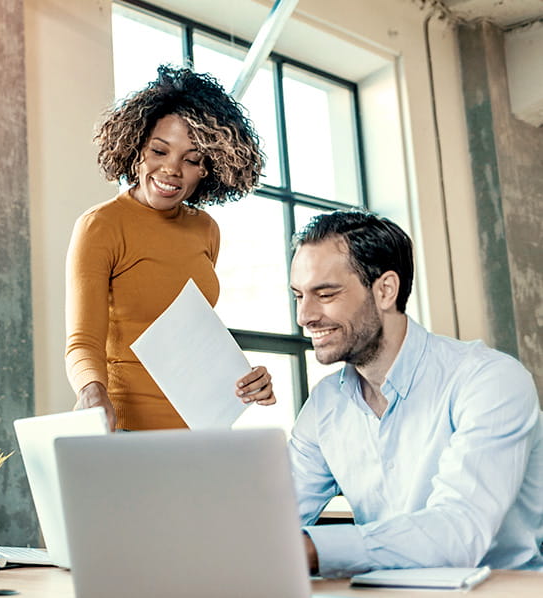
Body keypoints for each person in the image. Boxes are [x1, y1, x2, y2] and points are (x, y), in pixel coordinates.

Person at [267, 209, 542, 577]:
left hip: (498, 591)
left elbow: (459, 535)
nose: (305, 316)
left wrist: (309, 549)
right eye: (298, 296)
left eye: (325, 294)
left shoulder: (489, 380)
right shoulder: (325, 403)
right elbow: (275, 519)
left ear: (385, 290)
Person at [65, 65, 276, 431]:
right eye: (159, 151)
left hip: (201, 431)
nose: (171, 170)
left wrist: (247, 380)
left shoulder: (205, 230)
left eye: (191, 159)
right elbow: (83, 341)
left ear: (208, 168)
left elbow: (194, 338)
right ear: (136, 149)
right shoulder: (101, 226)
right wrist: (92, 392)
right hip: (125, 429)